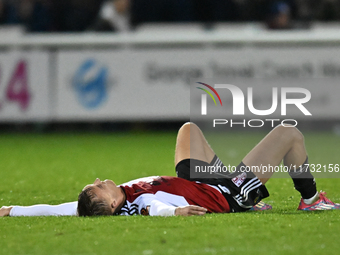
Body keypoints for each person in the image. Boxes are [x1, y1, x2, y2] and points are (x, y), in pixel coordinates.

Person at [1, 122, 339, 217]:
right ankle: (310, 199)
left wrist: (12, 210)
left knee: (189, 130)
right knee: (288, 134)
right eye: (98, 188)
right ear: (114, 203)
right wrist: (173, 216)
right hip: (226, 195)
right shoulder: (139, 204)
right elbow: (156, 207)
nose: (97, 182)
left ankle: (242, 190)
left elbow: (60, 209)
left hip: (197, 182)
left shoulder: (120, 198)